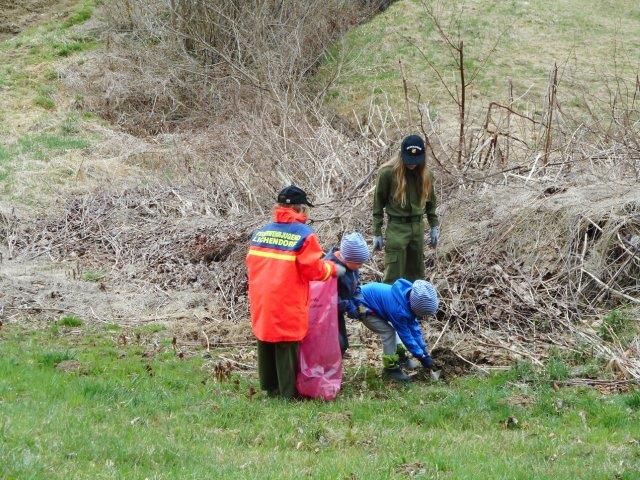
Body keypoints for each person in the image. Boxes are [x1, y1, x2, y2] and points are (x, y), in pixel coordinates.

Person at [246, 185, 345, 399]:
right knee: (286, 343)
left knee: (265, 338)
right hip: (287, 297)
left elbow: (251, 264)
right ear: (301, 210)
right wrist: (332, 269)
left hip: (261, 296)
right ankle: (287, 393)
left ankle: (269, 388)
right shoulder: (304, 235)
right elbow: (314, 270)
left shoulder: (261, 232)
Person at [372, 134, 440, 284]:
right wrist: (377, 232)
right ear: (401, 155)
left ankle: (411, 306)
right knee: (393, 275)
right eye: (408, 159)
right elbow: (378, 204)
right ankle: (388, 306)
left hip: (417, 228)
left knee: (416, 276)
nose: (412, 164)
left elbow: (431, 203)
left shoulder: (426, 174)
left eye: (416, 160)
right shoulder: (387, 173)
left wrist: (434, 225)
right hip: (397, 228)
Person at [358, 278, 439, 382]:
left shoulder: (408, 299)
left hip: (372, 302)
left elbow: (414, 330)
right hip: (361, 306)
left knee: (394, 329)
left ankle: (401, 357)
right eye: (422, 314)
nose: (423, 317)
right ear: (415, 308)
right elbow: (406, 336)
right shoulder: (399, 311)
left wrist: (424, 353)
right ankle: (390, 369)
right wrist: (421, 356)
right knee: (388, 332)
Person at [324, 232, 371, 356]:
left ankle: (337, 363)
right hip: (325, 314)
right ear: (346, 258)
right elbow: (328, 297)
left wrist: (360, 306)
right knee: (335, 344)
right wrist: (348, 306)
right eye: (359, 263)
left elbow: (356, 288)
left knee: (342, 343)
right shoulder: (329, 267)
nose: (360, 266)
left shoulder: (352, 266)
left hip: (338, 310)